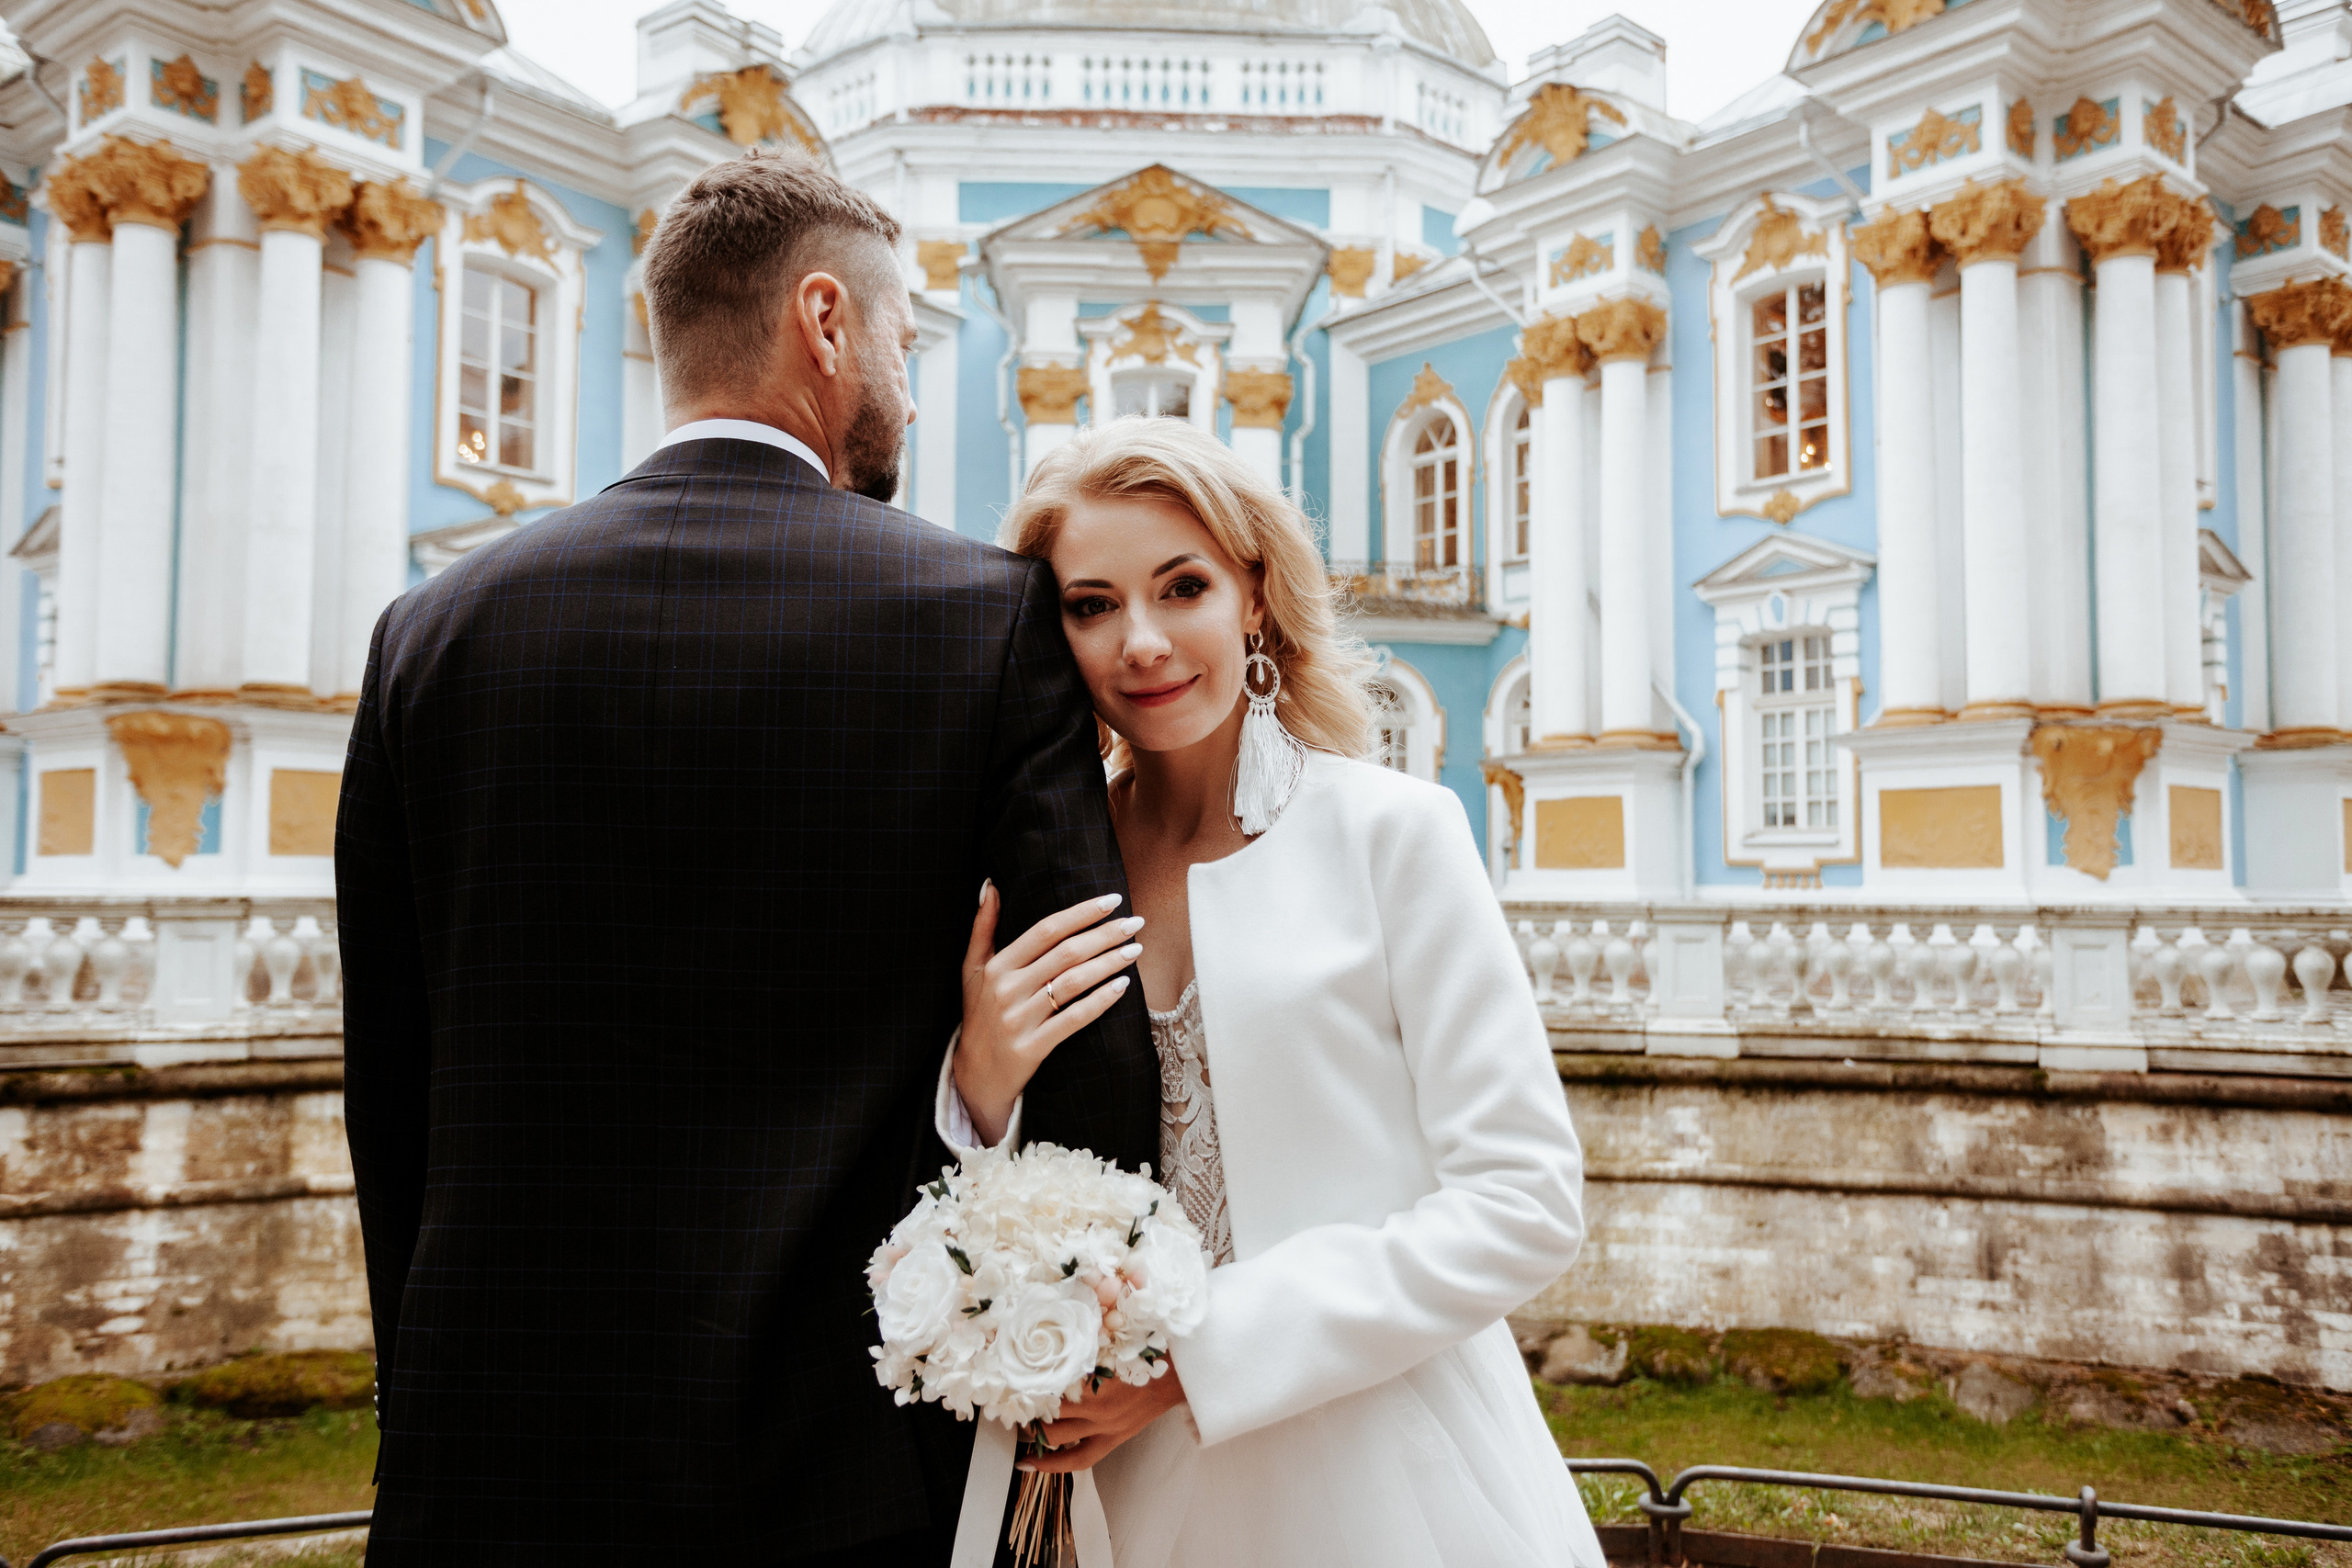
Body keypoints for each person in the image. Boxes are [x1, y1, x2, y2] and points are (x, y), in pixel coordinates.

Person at [334, 149, 1159, 1565]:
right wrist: (1046, 1381)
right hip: (850, 1461)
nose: (906, 386)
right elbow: (1086, 1030)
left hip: (496, 1458)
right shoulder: (982, 618)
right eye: (902, 338)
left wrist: (420, 1394)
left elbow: (392, 1084)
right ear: (824, 322)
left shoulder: (432, 632)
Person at [944, 416, 1605, 1568]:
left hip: (1377, 1475)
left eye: (1182, 587)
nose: (1142, 642)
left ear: (1253, 596)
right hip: (1107, 1485)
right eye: (1092, 606)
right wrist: (980, 1089)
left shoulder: (1392, 833)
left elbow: (1524, 1201)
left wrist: (1195, 1361)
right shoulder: (1038, 871)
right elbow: (998, 1189)